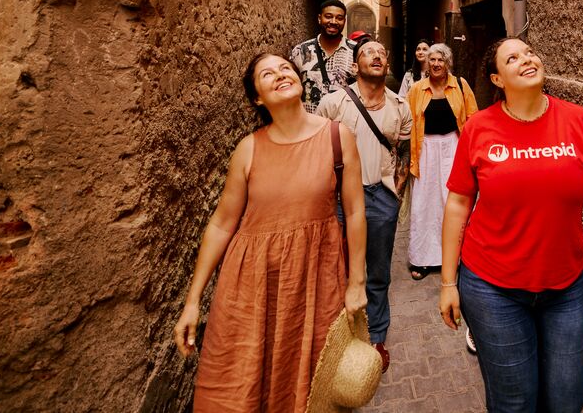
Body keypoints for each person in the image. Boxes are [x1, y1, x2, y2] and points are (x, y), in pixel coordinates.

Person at [438, 37, 583, 413]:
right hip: (493, 289)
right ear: (496, 78)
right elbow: (458, 204)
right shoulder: (479, 128)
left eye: (529, 52)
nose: (526, 59)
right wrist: (447, 283)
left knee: (566, 399)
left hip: (566, 288)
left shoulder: (579, 121)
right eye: (512, 58)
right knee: (514, 402)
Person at [173, 53, 367, 412]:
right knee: (241, 381)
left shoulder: (338, 137)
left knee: (309, 378)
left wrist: (357, 283)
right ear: (258, 98)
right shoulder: (248, 149)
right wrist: (192, 301)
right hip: (250, 285)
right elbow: (221, 224)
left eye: (284, 68)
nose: (280, 74)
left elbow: (355, 213)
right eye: (267, 74)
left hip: (315, 278)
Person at [316, 38, 411, 374]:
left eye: (383, 53)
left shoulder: (400, 105)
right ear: (355, 66)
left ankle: (377, 337)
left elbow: (403, 149)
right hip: (341, 200)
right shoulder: (332, 104)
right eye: (369, 53)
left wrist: (396, 190)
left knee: (379, 273)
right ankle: (340, 338)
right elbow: (317, 151)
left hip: (380, 197)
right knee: (339, 270)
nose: (377, 56)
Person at [406, 43, 478, 281]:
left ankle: (456, 257)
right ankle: (423, 259)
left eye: (441, 60)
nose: (436, 64)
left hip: (453, 147)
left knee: (452, 201)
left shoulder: (460, 85)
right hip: (424, 149)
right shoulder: (417, 89)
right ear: (427, 63)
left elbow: (473, 119)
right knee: (424, 204)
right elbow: (406, 120)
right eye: (432, 60)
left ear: (448, 63)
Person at [290, 0, 357, 113]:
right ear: (319, 18)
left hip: (343, 124)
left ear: (344, 21)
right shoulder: (300, 51)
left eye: (339, 18)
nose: (333, 21)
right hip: (309, 124)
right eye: (328, 16)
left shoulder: (355, 51)